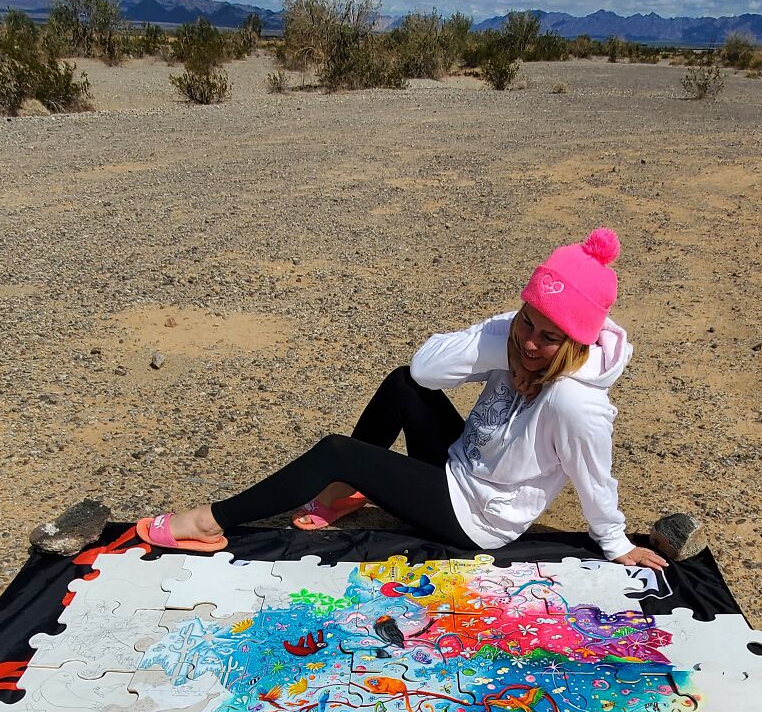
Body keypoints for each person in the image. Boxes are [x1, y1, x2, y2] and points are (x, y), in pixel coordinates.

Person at [137, 227, 666, 569]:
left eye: (548, 338)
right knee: (402, 384)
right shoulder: (513, 342)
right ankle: (346, 491)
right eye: (526, 322)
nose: (529, 343)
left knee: (337, 450)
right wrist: (500, 338)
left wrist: (617, 544)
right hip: (460, 466)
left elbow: (595, 475)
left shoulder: (576, 402)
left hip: (478, 517)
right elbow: (426, 368)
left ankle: (211, 521)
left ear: (577, 341)